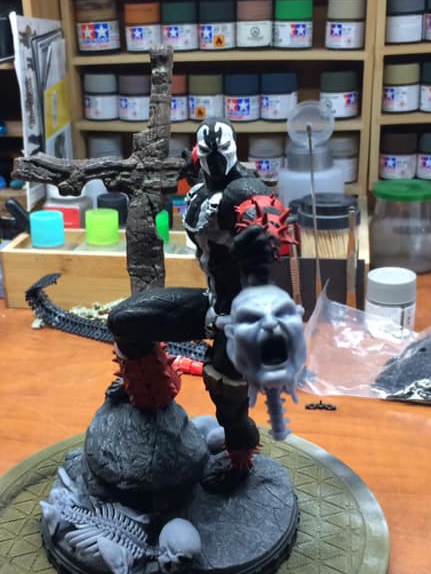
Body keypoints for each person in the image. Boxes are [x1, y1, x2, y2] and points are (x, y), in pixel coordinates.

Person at [107, 118, 301, 490]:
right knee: (126, 321)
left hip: (241, 317)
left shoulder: (244, 191)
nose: (213, 159)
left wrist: (260, 243)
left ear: (234, 150)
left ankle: (240, 462)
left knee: (226, 395)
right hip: (211, 304)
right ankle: (151, 393)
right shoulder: (199, 185)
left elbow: (268, 235)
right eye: (207, 153)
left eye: (220, 152)